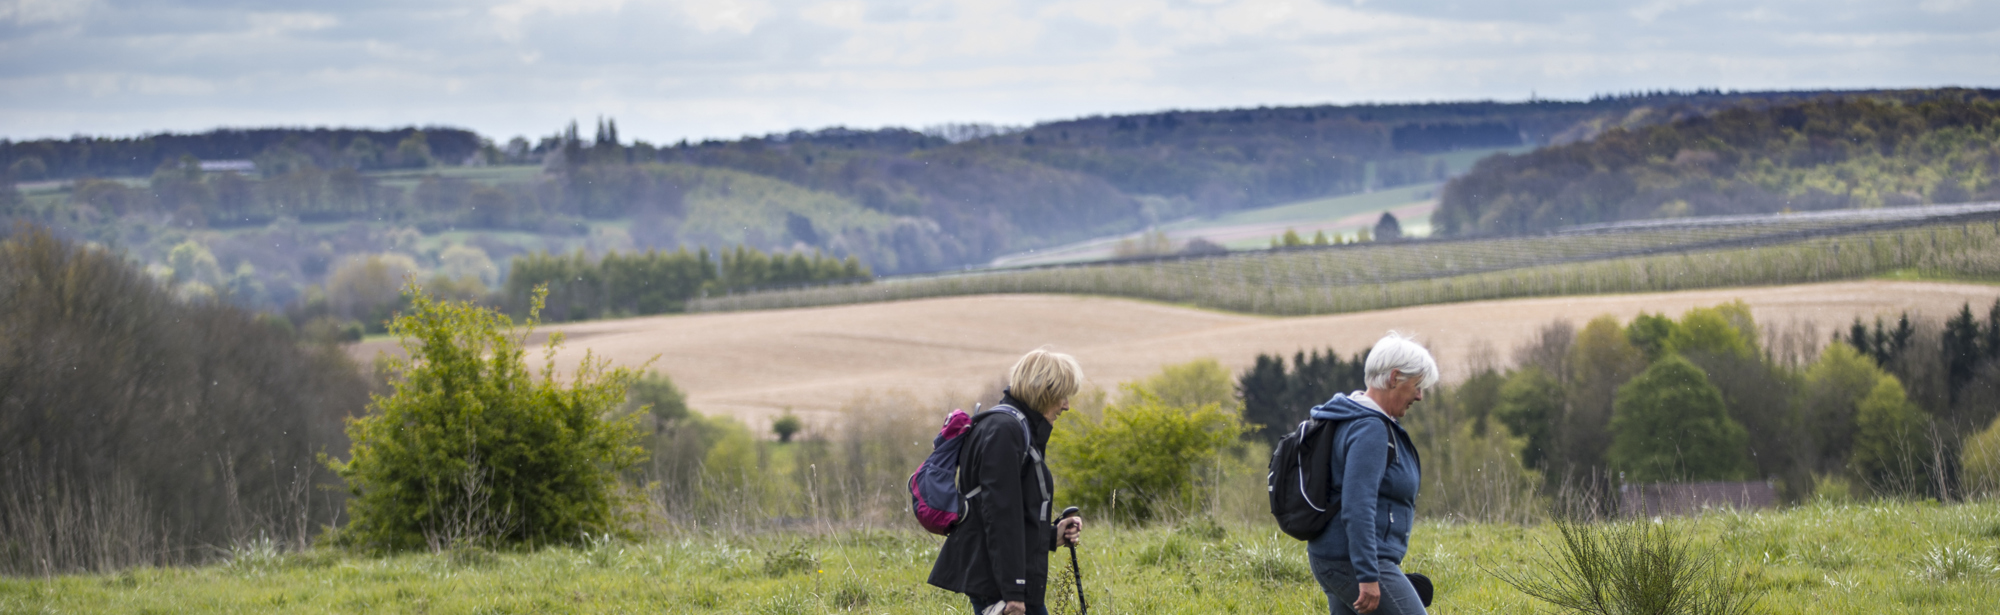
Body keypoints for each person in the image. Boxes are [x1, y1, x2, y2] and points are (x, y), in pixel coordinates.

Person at [928, 348, 1088, 615]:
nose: (1066, 405)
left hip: (1004, 579)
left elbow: (1008, 512)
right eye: (1062, 395)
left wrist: (1052, 534)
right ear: (1044, 390)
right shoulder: (1005, 431)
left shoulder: (1014, 427)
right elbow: (1001, 515)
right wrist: (1014, 593)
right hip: (1001, 586)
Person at [1307, 332, 1437, 615]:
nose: (1419, 395)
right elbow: (1357, 504)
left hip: (1334, 557)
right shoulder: (1370, 429)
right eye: (1416, 385)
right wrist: (1367, 575)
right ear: (1394, 378)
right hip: (1356, 562)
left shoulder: (1349, 418)